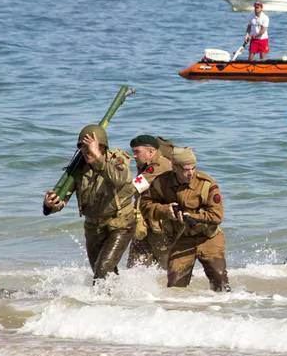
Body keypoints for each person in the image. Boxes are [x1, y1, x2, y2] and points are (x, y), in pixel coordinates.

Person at [41, 124, 137, 282]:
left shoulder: (117, 159)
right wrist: (50, 205)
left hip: (120, 223)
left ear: (102, 147)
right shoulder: (78, 169)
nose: (86, 152)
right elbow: (61, 199)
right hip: (93, 227)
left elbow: (119, 180)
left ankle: (101, 302)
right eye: (83, 148)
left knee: (102, 270)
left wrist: (97, 156)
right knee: (103, 273)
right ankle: (115, 302)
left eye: (90, 148)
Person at [139, 147, 229, 291]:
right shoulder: (160, 181)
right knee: (175, 285)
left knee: (220, 279)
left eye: (193, 168)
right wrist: (165, 210)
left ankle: (222, 309)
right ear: (174, 167)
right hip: (181, 238)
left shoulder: (206, 184)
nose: (191, 173)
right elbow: (144, 203)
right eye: (186, 169)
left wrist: (191, 217)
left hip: (208, 237)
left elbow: (217, 216)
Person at [126, 134, 173, 268]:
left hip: (160, 225)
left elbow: (135, 187)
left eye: (137, 152)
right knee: (134, 267)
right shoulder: (146, 165)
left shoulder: (159, 165)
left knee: (169, 268)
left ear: (151, 152)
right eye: (133, 152)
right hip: (145, 223)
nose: (134, 155)